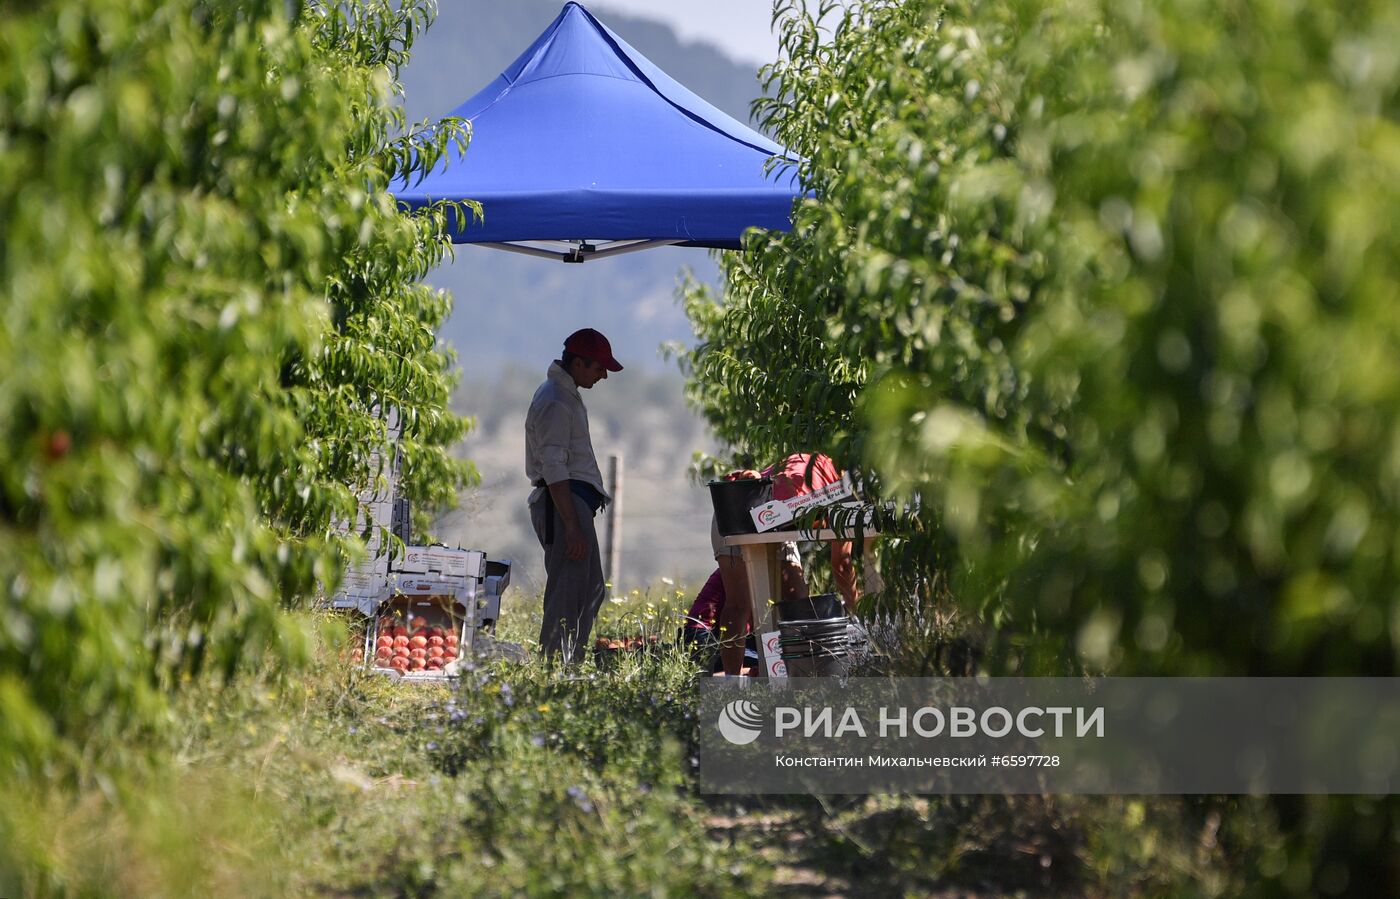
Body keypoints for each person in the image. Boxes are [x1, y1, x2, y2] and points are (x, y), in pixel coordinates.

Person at [711, 452, 861, 675]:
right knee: (739, 603)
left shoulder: (826, 477)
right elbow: (842, 565)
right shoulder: (838, 489)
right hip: (738, 510)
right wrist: (859, 618)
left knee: (797, 602)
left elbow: (841, 564)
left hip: (776, 521)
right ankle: (734, 683)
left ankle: (784, 676)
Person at [525, 328, 622, 663]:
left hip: (571, 504)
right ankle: (554, 666)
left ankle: (570, 661)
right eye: (598, 367)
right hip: (563, 504)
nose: (604, 375)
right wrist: (571, 525)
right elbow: (553, 466)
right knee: (568, 590)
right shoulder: (555, 400)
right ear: (578, 363)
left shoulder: (564, 395)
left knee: (590, 587)